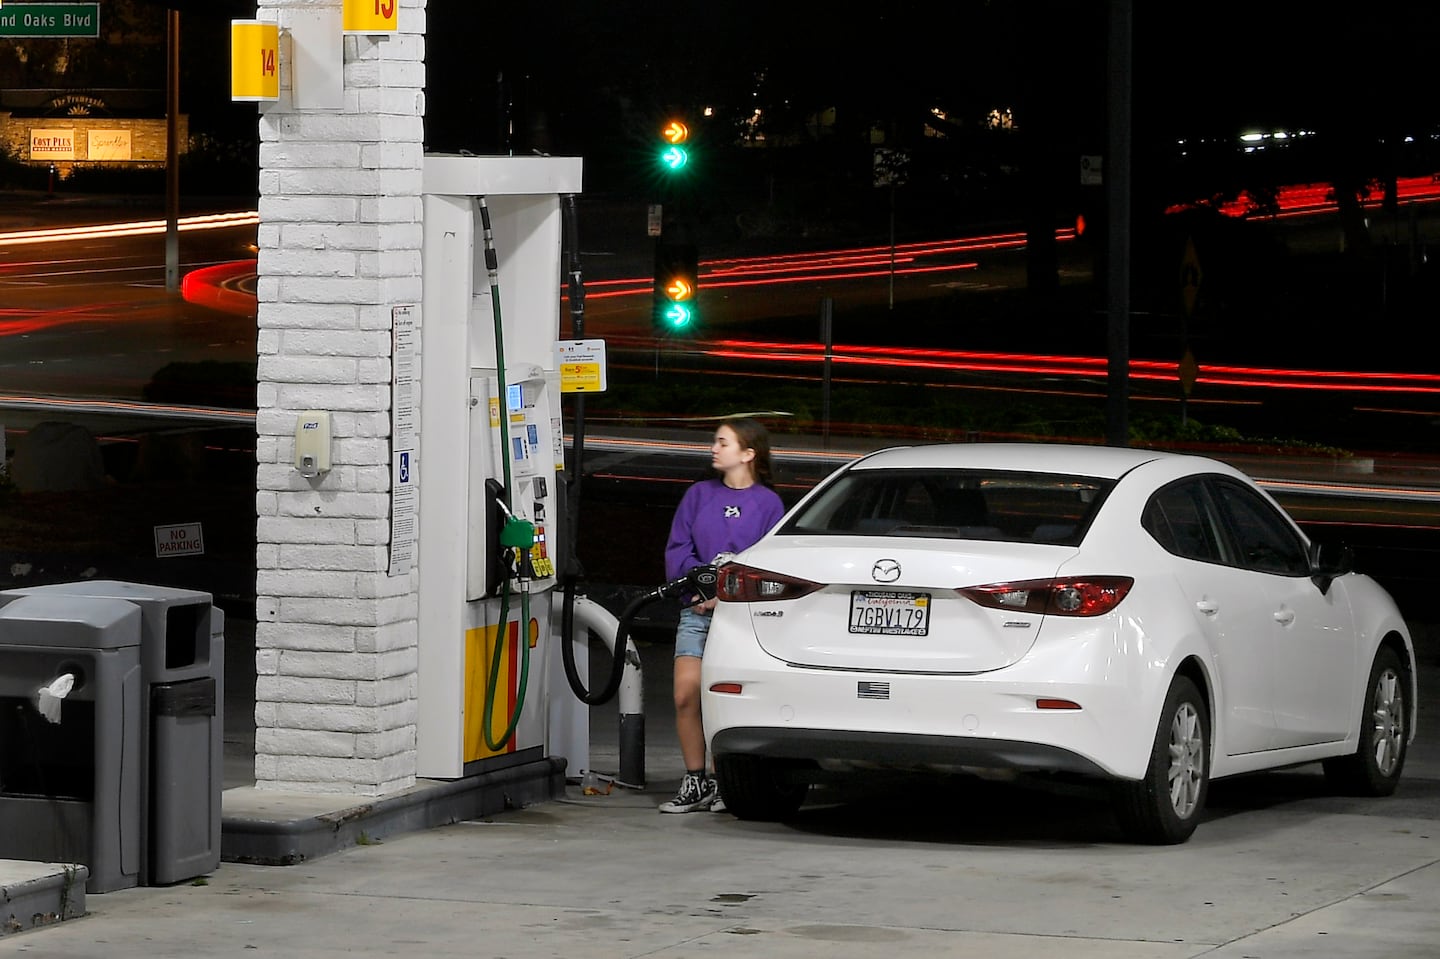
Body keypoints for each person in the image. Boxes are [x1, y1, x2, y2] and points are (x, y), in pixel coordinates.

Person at [658, 417, 785, 814]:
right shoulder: (699, 495)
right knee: (685, 694)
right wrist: (697, 590)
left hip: (741, 619)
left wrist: (725, 595)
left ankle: (724, 781)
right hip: (697, 610)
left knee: (726, 698)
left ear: (749, 454)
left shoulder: (769, 504)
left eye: (723, 442)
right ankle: (695, 780)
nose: (715, 448)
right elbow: (678, 547)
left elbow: (767, 560)